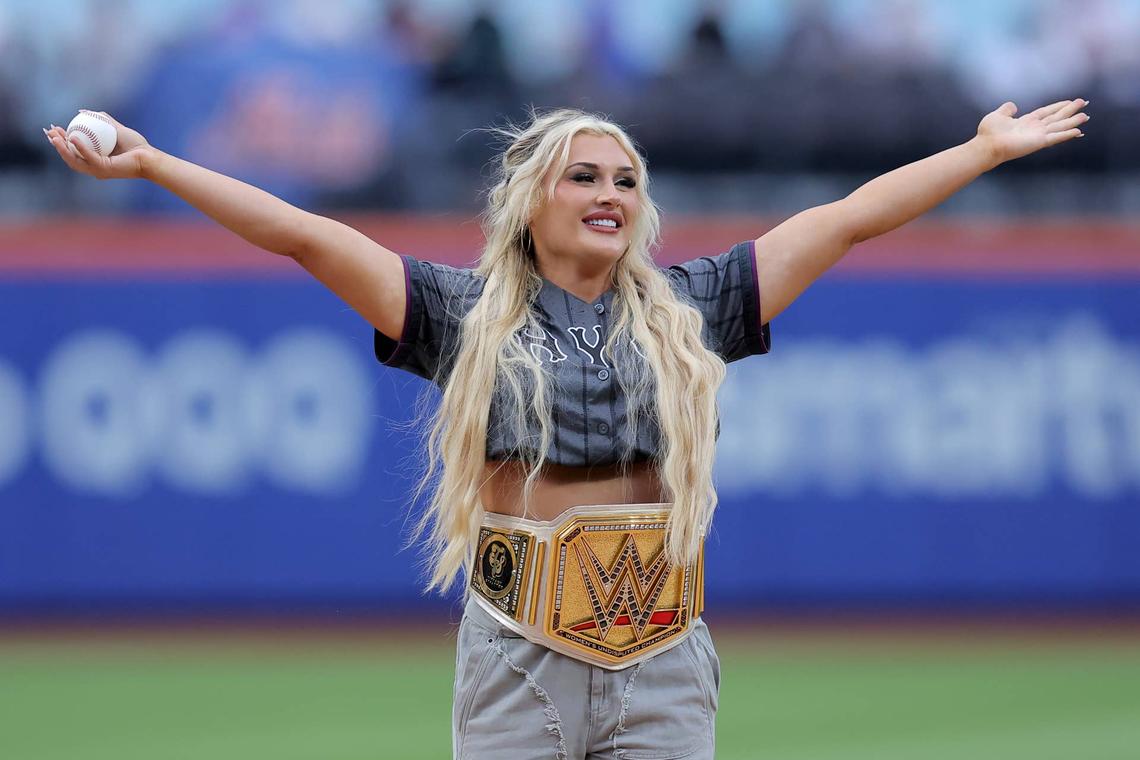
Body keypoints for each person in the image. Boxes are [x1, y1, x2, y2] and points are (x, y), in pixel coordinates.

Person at [45, 97, 1089, 759]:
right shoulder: (459, 311)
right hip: (519, 652)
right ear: (528, 202)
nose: (610, 193)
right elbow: (308, 239)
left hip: (665, 652)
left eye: (626, 179)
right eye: (583, 175)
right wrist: (155, 165)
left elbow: (848, 218)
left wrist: (980, 149)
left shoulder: (694, 304)